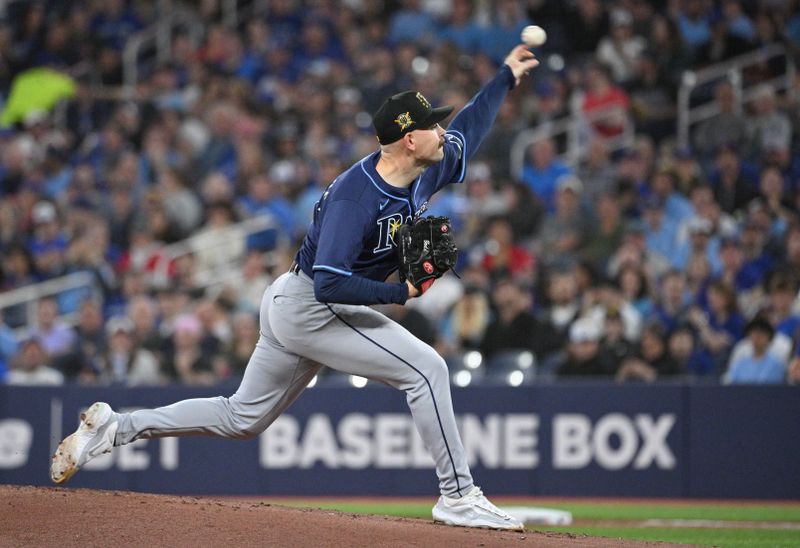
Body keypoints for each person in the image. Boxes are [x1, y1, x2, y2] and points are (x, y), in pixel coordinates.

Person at [50, 45, 540, 531]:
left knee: (241, 418)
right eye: (431, 125)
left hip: (294, 301)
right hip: (313, 306)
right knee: (427, 369)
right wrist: (400, 293)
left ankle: (117, 427)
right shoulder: (358, 196)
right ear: (408, 139)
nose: (441, 131)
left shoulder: (424, 167)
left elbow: (469, 131)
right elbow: (330, 282)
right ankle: (457, 495)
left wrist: (503, 78)